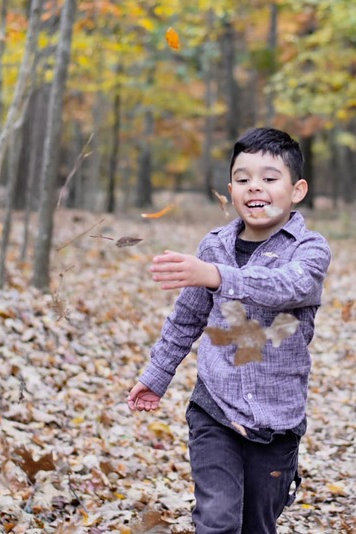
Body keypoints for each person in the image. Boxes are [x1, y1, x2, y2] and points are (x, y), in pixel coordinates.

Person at [127, 127, 331, 533]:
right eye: (243, 179)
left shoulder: (309, 249)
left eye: (270, 178)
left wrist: (217, 276)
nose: (255, 187)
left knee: (257, 523)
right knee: (217, 519)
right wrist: (156, 377)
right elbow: (186, 319)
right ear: (230, 190)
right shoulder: (214, 246)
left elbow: (288, 286)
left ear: (297, 189)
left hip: (276, 420)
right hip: (214, 408)